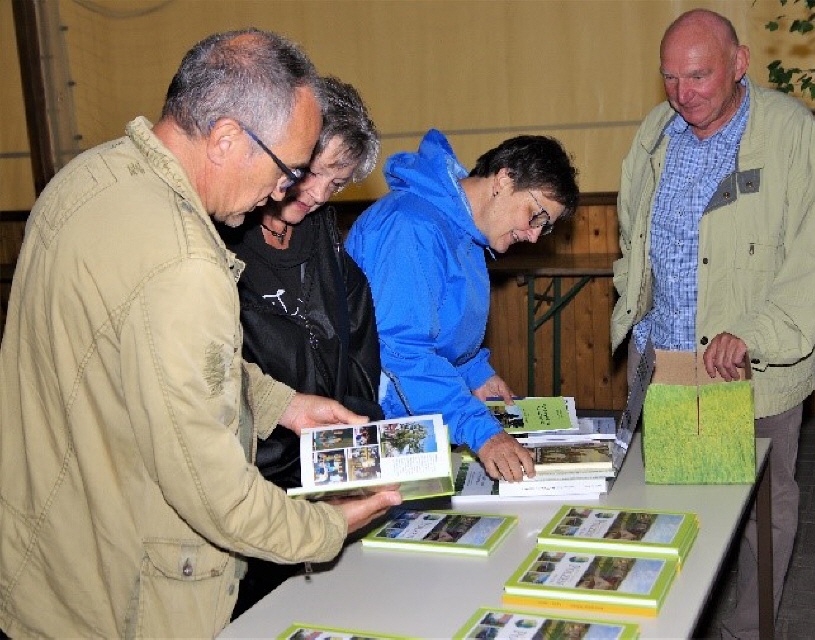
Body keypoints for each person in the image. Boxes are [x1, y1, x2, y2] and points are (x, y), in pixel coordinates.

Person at [0, 29, 401, 639]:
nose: (286, 192)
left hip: (45, 563)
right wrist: (326, 529)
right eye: (288, 169)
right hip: (117, 594)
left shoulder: (89, 177)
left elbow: (141, 358)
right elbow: (217, 493)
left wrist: (281, 402)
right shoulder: (187, 263)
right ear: (226, 139)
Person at [610, 9, 815, 639]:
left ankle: (748, 631)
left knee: (759, 515)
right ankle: (667, 625)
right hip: (667, 365)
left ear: (739, 64)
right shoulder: (655, 133)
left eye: (698, 76)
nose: (682, 94)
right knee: (668, 508)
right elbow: (633, 234)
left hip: (746, 372)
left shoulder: (790, 135)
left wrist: (757, 333)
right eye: (669, 78)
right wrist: (632, 306)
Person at [218, 75, 384, 618]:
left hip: (324, 476)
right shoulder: (225, 233)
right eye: (312, 173)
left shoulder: (323, 237)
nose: (315, 195)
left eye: (334, 185)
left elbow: (356, 352)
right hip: (252, 487)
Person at [346, 130, 579, 482]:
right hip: (380, 422)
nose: (533, 235)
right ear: (504, 179)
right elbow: (400, 350)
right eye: (536, 215)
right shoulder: (409, 226)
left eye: (544, 227)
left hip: (413, 415)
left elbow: (439, 332)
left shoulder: (465, 234)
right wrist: (482, 432)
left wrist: (476, 374)